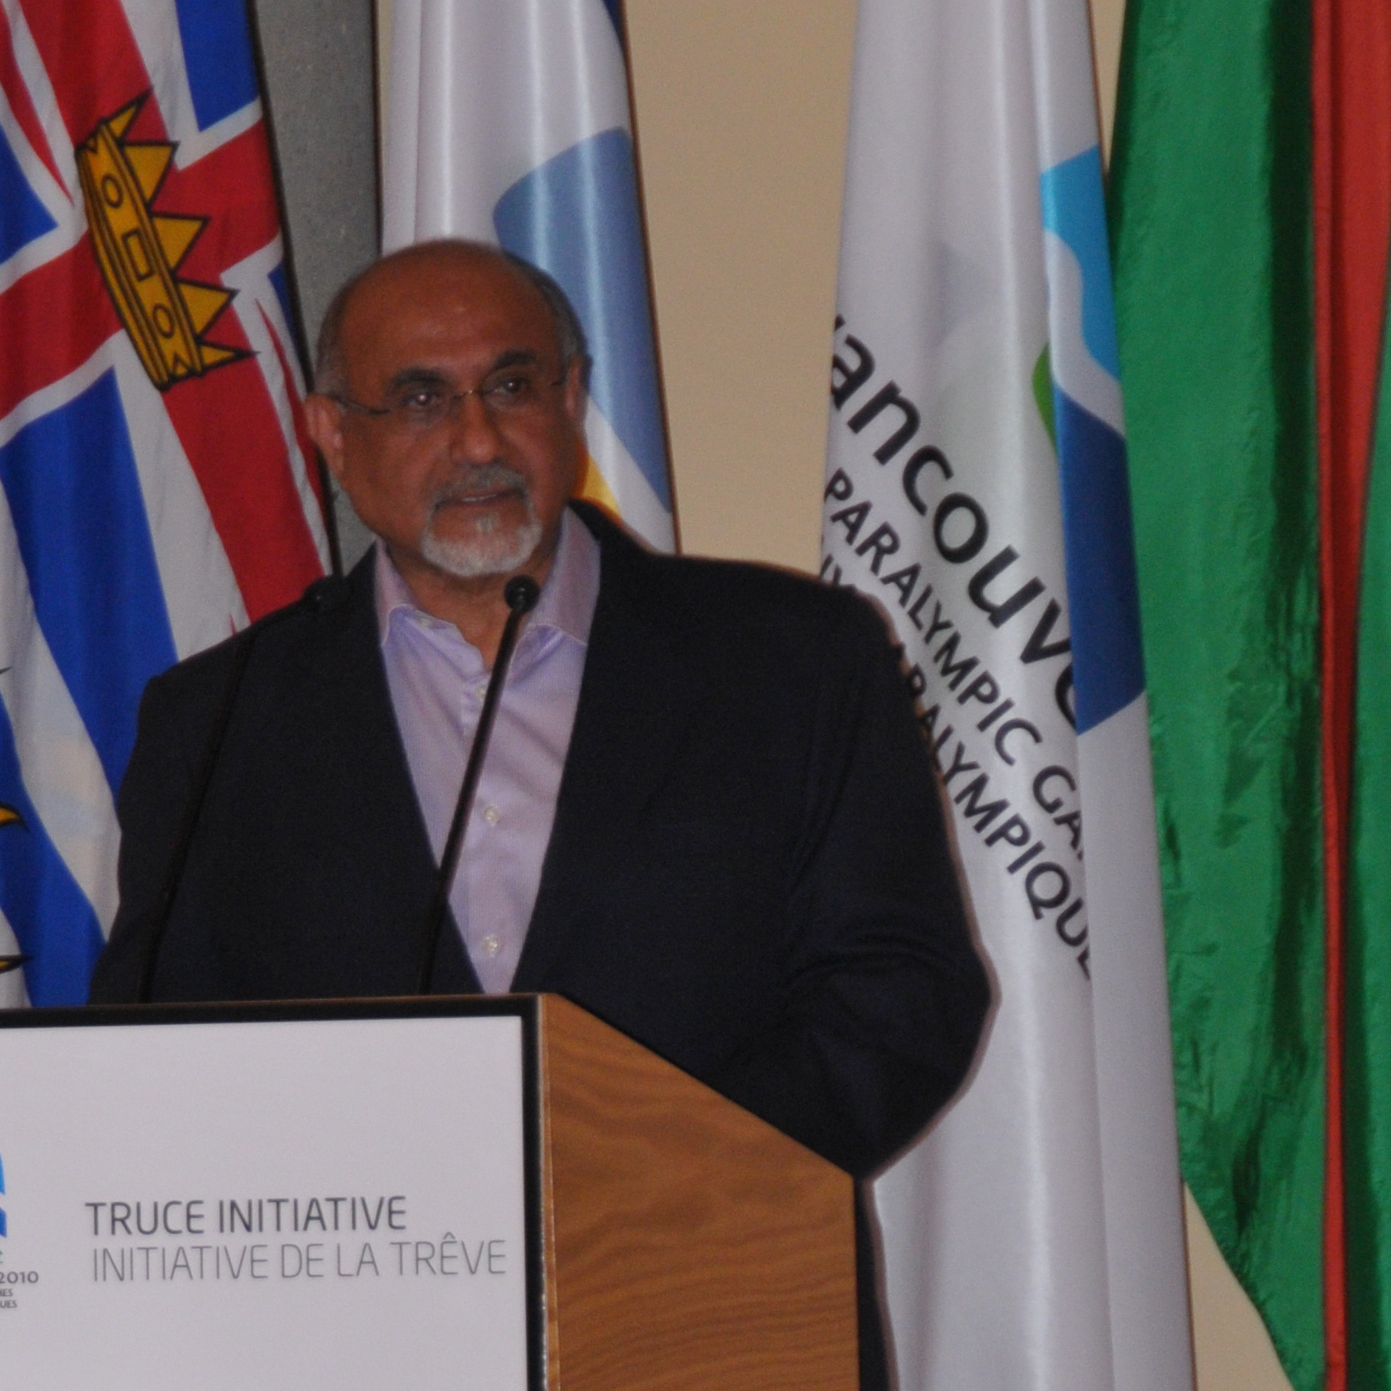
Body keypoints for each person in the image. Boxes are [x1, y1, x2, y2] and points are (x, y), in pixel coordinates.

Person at [89, 240, 988, 1388]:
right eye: (420, 398)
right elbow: (159, 1055)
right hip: (361, 1344)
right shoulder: (219, 719)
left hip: (719, 1312)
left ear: (570, 400)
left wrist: (629, 1181)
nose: (475, 440)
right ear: (331, 435)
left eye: (512, 386)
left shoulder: (792, 659)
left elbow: (904, 993)